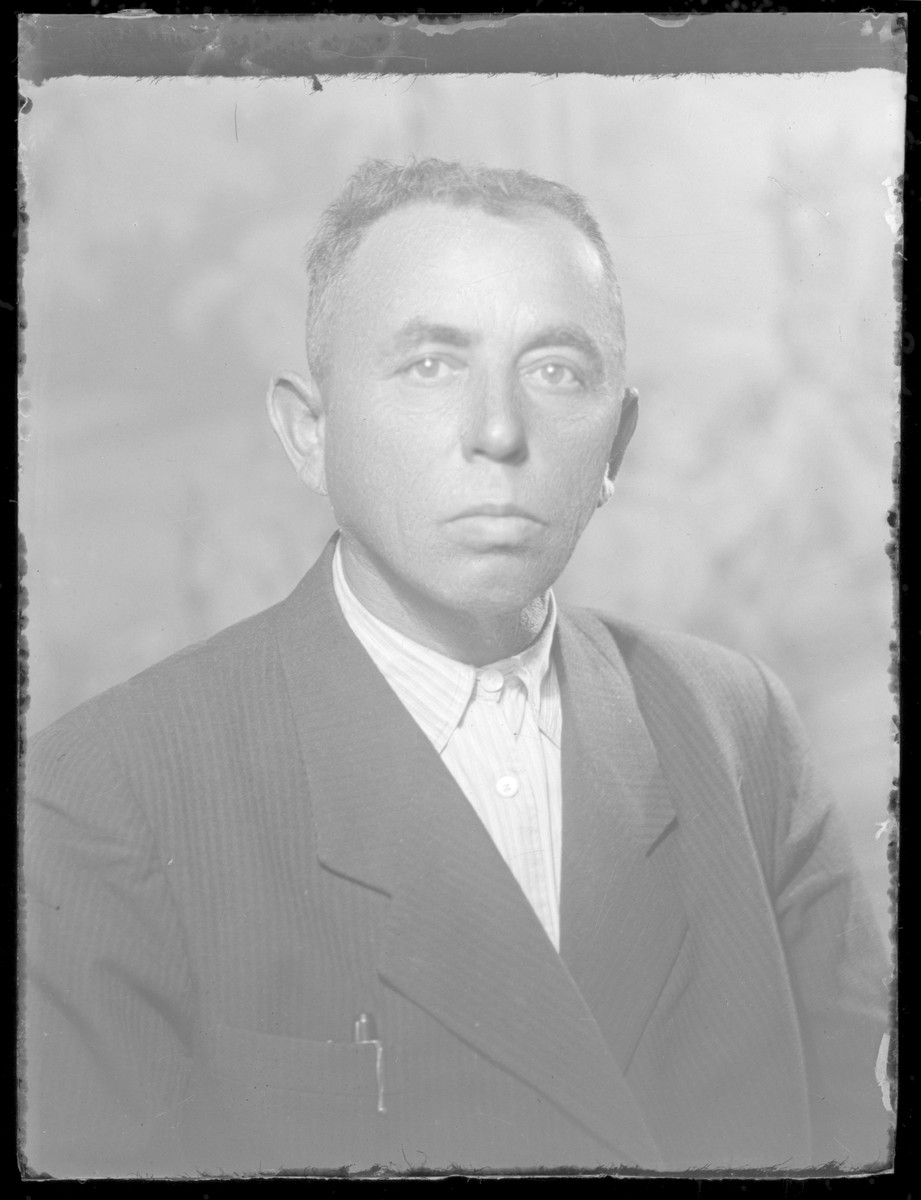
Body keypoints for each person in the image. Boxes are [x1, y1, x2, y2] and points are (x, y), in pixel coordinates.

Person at [23, 158, 891, 1177]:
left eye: (557, 370)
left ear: (618, 442)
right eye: (432, 364)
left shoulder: (741, 732)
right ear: (310, 432)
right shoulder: (100, 795)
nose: (497, 431)